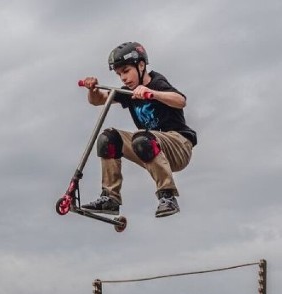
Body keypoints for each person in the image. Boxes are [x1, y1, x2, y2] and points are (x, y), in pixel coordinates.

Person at [80, 42, 197, 219]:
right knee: (108, 138)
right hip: (151, 146)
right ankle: (110, 198)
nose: (124, 78)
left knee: (142, 139)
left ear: (141, 65)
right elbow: (98, 100)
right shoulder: (129, 91)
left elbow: (180, 100)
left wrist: (152, 93)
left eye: (126, 71)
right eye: (119, 75)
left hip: (178, 146)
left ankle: (167, 197)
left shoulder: (157, 81)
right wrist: (92, 89)